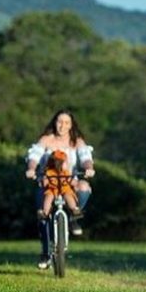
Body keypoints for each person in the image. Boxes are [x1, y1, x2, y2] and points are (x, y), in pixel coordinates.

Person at [25, 109, 96, 270]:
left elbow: (86, 158)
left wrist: (89, 168)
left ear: (71, 125)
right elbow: (34, 156)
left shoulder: (77, 141)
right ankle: (45, 253)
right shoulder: (46, 139)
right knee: (43, 215)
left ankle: (73, 218)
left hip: (68, 182)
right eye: (59, 122)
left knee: (84, 187)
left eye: (66, 123)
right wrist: (31, 169)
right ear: (54, 122)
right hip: (48, 182)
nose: (62, 126)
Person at [40, 149, 82, 219]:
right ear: (59, 164)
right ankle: (45, 212)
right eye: (66, 162)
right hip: (52, 190)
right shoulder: (49, 172)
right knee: (48, 197)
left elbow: (73, 182)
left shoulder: (66, 172)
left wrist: (71, 180)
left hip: (65, 189)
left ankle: (74, 209)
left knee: (68, 196)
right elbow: (44, 183)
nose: (67, 164)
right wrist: (46, 180)